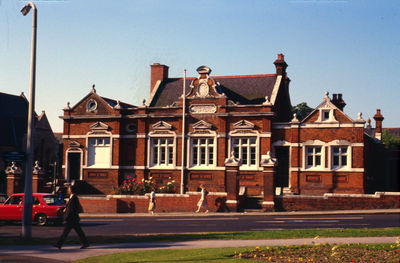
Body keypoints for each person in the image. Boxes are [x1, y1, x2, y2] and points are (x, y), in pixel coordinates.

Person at [54, 185, 89, 249]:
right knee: (78, 232)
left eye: (68, 189)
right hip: (73, 219)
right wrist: (63, 209)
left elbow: (72, 209)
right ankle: (85, 243)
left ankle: (59, 244)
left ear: (71, 190)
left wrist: (66, 214)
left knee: (66, 232)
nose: (68, 191)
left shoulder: (74, 198)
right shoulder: (72, 197)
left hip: (72, 219)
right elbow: (69, 207)